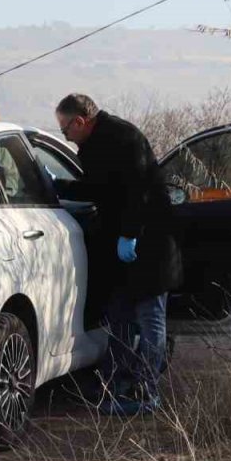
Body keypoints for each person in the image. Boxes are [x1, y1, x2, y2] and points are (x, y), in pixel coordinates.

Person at [52, 93, 181, 415]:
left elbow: (139, 192)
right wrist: (60, 186)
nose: (65, 136)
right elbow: (99, 188)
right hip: (123, 246)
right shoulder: (97, 144)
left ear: (80, 121)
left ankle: (146, 391)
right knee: (120, 318)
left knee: (150, 319)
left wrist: (129, 234)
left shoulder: (122, 138)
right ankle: (118, 385)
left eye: (65, 129)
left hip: (148, 243)